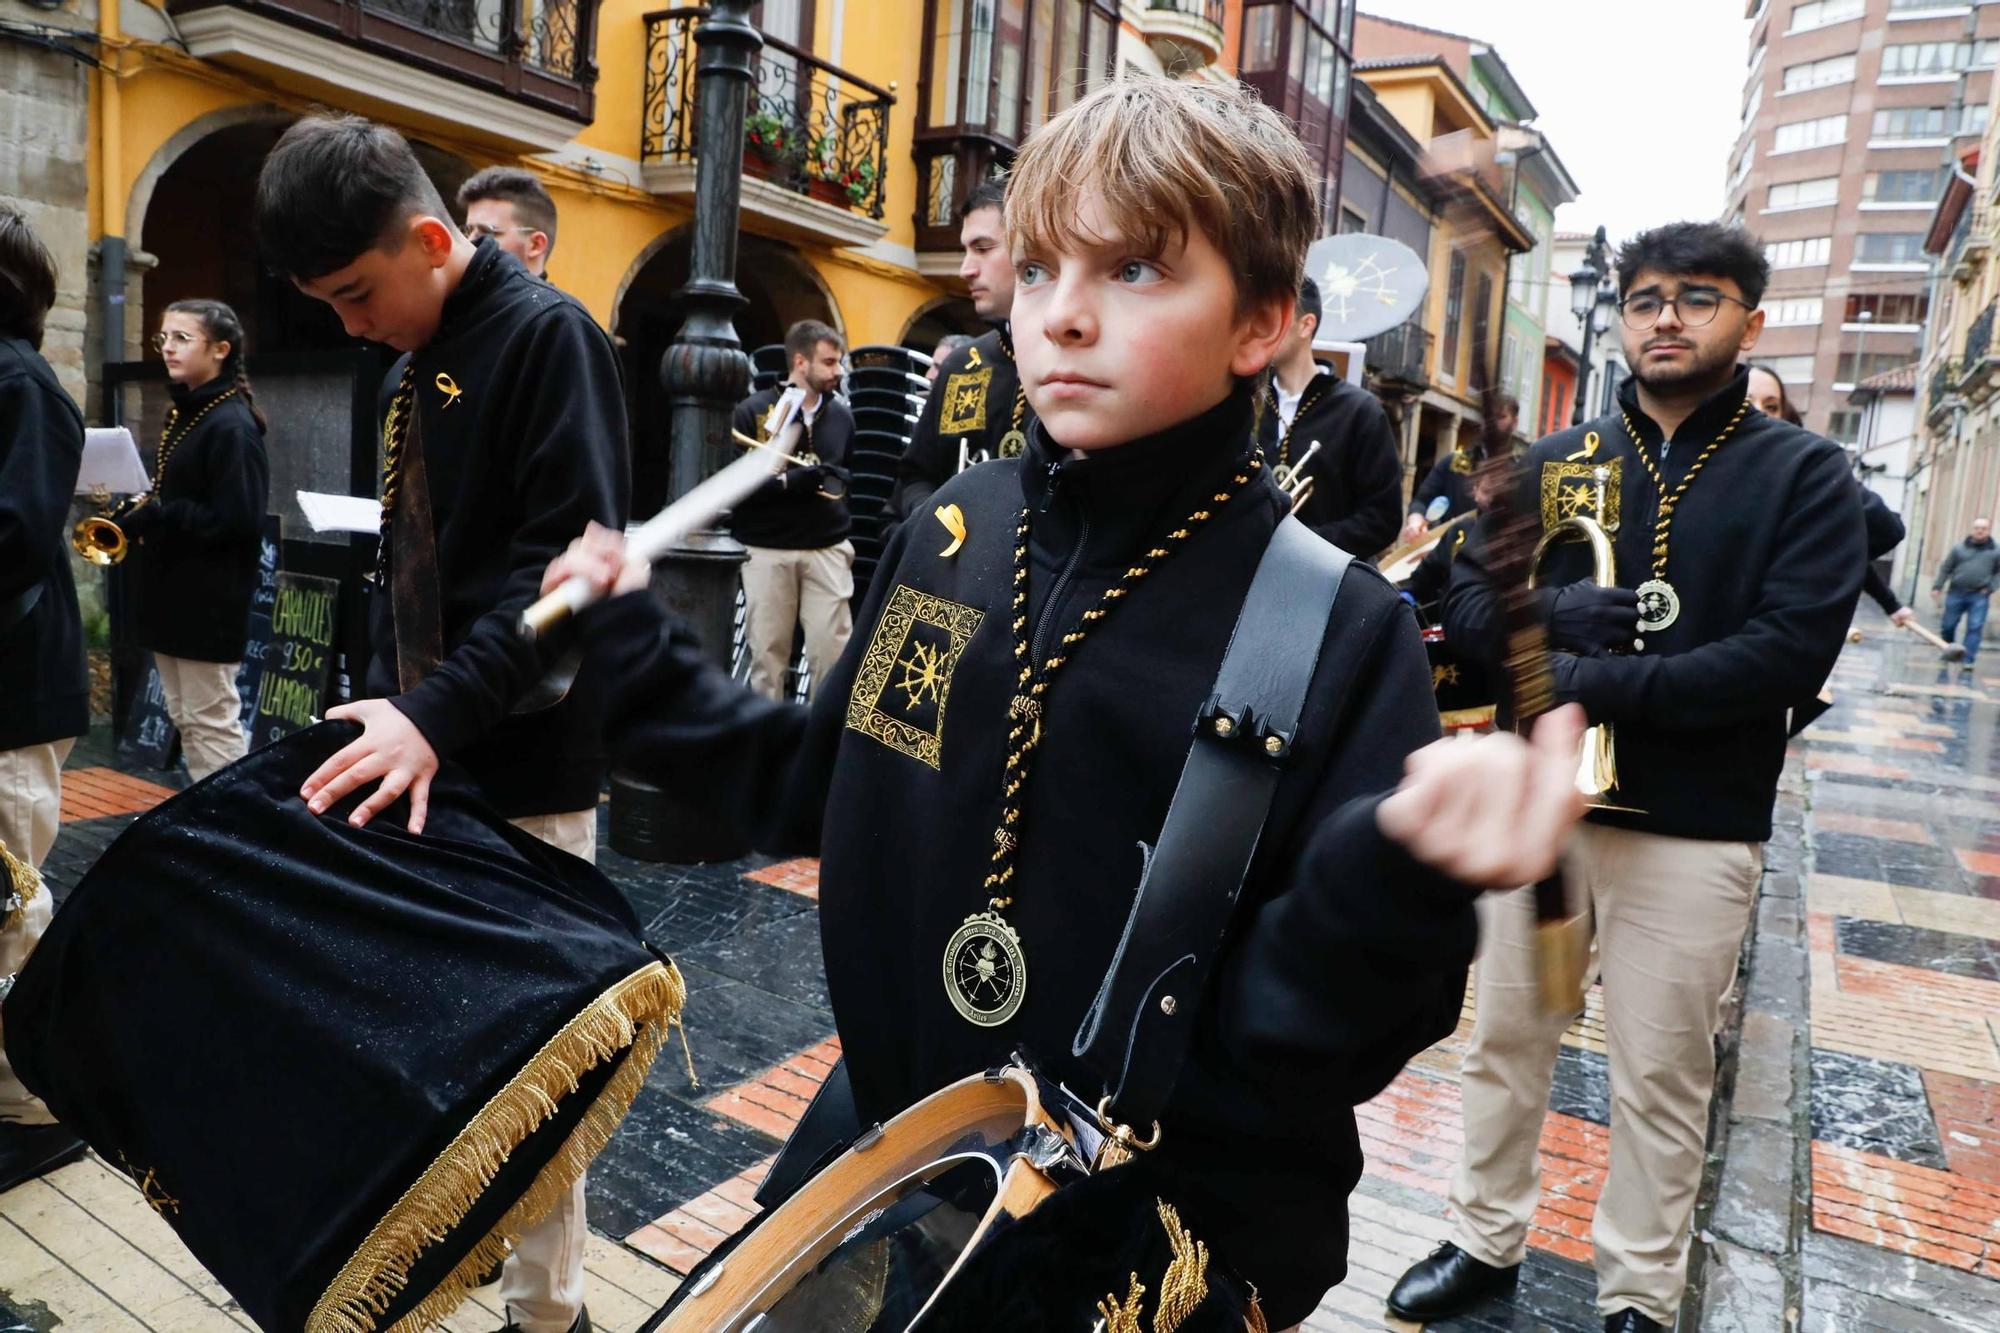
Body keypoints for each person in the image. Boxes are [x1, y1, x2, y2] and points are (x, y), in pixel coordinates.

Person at [544, 76, 1587, 1332]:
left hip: (1141, 1242)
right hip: (890, 1166)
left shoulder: (1331, 626)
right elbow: (809, 781)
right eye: (1037, 269)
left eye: (1136, 270)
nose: (1063, 319)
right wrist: (627, 643)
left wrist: (1398, 872)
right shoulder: (949, 530)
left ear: (1260, 322)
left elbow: (1308, 1049)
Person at [1401, 222, 1864, 1333]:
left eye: (1694, 298)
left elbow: (1785, 653)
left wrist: (1585, 683)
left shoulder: (1803, 473)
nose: (1664, 316)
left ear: (1747, 323)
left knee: (1659, 1075)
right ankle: (1479, 1237)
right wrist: (1554, 617)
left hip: (1693, 825)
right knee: (1503, 1040)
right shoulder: (1553, 462)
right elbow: (1456, 609)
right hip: (1539, 812)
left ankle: (1639, 1293)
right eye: (1645, 298)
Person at [256, 113, 629, 1333]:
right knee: (437, 1052)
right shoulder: (415, 354)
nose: (349, 326)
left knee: (538, 1078)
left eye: (358, 294)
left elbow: (561, 587)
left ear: (430, 238)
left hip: (517, 769)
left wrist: (427, 713)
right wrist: (373, 705)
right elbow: (409, 563)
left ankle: (547, 1315)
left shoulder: (548, 337)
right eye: (328, 305)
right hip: (423, 751)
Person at [0, 204, 90, 1192]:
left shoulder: (20, 381)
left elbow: (15, 534)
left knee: (13, 899)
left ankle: (36, 1110)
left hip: (14, 693)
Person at [120, 300, 270, 781]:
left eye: (182, 338)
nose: (167, 347)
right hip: (173, 591)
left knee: (211, 722)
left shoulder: (231, 423)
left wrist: (163, 512)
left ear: (221, 349)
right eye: (163, 337)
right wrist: (143, 511)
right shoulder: (188, 410)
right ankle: (213, 825)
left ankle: (235, 830)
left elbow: (240, 520)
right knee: (187, 717)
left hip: (208, 598)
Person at [730, 319, 856, 701]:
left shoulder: (842, 416)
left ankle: (819, 751)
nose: (839, 372)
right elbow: (737, 486)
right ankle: (768, 753)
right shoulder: (753, 411)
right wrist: (787, 484)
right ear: (800, 362)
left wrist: (828, 479)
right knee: (768, 659)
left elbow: (843, 476)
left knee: (831, 656)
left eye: (838, 363)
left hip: (826, 547)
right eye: (830, 363)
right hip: (767, 549)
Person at [889, 179, 1026, 517]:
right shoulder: (962, 366)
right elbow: (915, 477)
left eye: (982, 248)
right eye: (965, 251)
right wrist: (934, 522)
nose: (965, 269)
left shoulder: (1077, 361)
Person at [1745, 362, 1913, 628]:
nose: (1759, 414)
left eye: (1771, 406)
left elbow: (1850, 540)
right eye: (1746, 402)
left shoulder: (1802, 472)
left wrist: (1890, 604)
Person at [1255, 276, 1404, 558]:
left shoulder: (1360, 411)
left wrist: (1300, 545)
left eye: (1272, 318)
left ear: (1306, 325)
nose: (1259, 329)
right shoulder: (1250, 402)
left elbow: (1383, 519)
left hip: (1329, 586)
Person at [1400, 394, 1520, 543]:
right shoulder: (1453, 463)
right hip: (1447, 556)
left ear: (1514, 422)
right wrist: (1415, 522)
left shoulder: (1518, 473)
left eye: (1500, 417)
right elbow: (1421, 501)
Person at [457, 165, 557, 281]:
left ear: (536, 245)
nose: (470, 242)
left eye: (487, 232)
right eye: (467, 231)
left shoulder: (553, 300)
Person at [1932, 517, 1996, 670]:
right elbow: (1946, 568)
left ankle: (1968, 660)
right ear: (1972, 529)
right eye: (1977, 528)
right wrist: (1937, 586)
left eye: (1983, 528)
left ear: (1988, 530)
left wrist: (1990, 588)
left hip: (1979, 596)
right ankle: (1947, 653)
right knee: (1948, 625)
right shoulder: (1958, 549)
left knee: (1974, 627)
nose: (1980, 531)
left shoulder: (1996, 551)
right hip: (1956, 593)